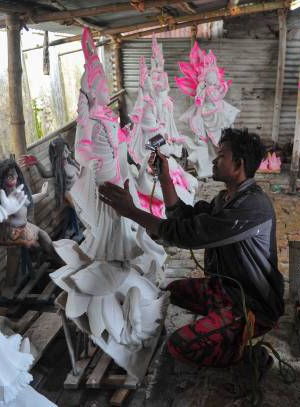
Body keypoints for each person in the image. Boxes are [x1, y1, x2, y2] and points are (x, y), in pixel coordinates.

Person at [99, 128, 284, 368]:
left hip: (252, 304)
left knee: (179, 346)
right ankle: (223, 323)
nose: (215, 161)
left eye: (221, 156)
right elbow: (183, 217)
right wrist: (165, 178)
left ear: (238, 165)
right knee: (171, 291)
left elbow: (187, 234)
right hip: (227, 289)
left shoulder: (253, 207)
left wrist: (132, 212)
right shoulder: (225, 198)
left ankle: (248, 358)